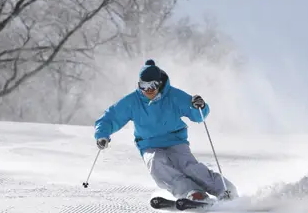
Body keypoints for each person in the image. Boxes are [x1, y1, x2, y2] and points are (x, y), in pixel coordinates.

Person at [93, 59, 238, 202]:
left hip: (176, 141)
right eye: (144, 86)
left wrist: (199, 106)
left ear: (160, 83)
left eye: (153, 85)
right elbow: (110, 117)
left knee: (188, 166)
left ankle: (224, 189)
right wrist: (102, 134)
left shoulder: (173, 96)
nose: (148, 90)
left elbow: (198, 115)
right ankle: (191, 192)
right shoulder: (132, 101)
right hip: (149, 145)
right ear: (139, 85)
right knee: (157, 165)